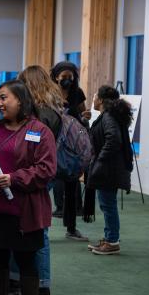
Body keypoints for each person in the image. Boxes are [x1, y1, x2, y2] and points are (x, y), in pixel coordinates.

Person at [0, 80, 56, 295]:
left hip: (23, 213)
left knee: (27, 264)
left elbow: (46, 169)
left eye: (4, 98)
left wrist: (14, 178)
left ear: (20, 100)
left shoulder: (40, 131)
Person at [15, 65, 64, 295]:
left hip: (37, 175)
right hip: (37, 174)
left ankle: (42, 283)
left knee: (38, 231)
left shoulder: (42, 116)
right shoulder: (50, 110)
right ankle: (22, 279)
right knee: (27, 229)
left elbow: (34, 146)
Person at [86, 86, 133, 255]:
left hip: (108, 169)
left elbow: (113, 140)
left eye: (95, 95)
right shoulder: (108, 116)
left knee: (108, 205)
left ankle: (112, 241)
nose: (93, 98)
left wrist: (100, 160)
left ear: (101, 99)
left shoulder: (108, 117)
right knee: (107, 205)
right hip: (109, 168)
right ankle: (109, 238)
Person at [50, 61, 88, 241]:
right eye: (63, 78)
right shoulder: (49, 92)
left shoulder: (77, 93)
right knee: (47, 183)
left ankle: (71, 228)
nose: (67, 81)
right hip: (52, 142)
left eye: (70, 78)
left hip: (72, 144)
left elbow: (82, 112)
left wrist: (84, 116)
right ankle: (40, 227)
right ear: (56, 77)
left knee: (72, 186)